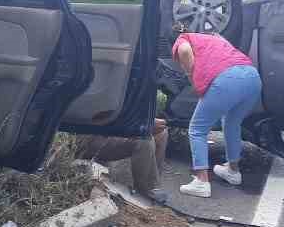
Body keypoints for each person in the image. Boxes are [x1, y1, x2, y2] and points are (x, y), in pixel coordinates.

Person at [172, 31, 260, 198]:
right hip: (252, 77)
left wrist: (192, 76)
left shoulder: (183, 39)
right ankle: (233, 171)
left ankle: (201, 181)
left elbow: (184, 51)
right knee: (232, 123)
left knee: (197, 129)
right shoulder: (214, 37)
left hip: (227, 79)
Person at [74, 118, 170, 204]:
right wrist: (140, 123)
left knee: (161, 133)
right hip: (87, 133)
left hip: (113, 127)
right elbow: (103, 115)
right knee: (144, 139)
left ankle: (153, 185)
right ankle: (146, 194)